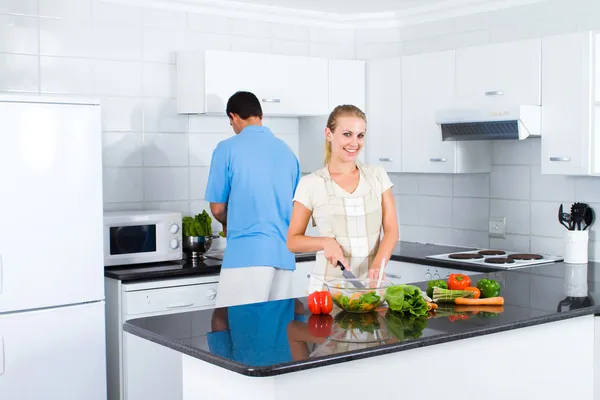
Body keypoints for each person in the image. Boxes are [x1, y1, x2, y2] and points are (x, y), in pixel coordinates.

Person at [286, 105, 399, 293]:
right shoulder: (311, 183)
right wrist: (325, 242)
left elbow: (392, 230)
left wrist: (379, 263)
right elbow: (292, 241)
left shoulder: (377, 176)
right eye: (347, 134)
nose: (354, 142)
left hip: (370, 289)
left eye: (360, 135)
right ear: (328, 134)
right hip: (326, 292)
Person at [205, 91, 300, 307]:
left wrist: (227, 223)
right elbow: (296, 207)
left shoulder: (226, 149)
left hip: (245, 257)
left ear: (234, 117)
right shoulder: (287, 152)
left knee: (242, 331)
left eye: (231, 122)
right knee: (278, 332)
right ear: (261, 115)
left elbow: (218, 208)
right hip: (283, 256)